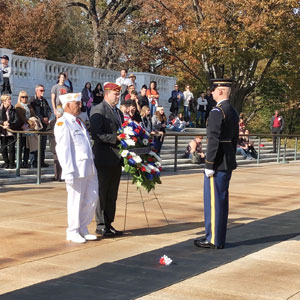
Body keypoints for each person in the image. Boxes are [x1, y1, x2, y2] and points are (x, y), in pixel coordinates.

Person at [194, 79, 239, 250]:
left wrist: (209, 164)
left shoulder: (217, 111)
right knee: (221, 200)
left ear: (219, 91)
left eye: (213, 90)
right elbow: (233, 140)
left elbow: (213, 140)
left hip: (217, 163)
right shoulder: (232, 111)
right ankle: (219, 237)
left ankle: (213, 238)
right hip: (227, 160)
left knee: (213, 202)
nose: (211, 93)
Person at [54, 92, 98, 243]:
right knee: (75, 200)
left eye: (79, 103)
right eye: (77, 103)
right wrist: (68, 171)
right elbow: (63, 149)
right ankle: (72, 230)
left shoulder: (78, 121)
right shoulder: (63, 123)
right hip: (76, 168)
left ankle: (83, 228)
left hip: (88, 166)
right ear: (67, 105)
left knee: (91, 198)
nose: (80, 106)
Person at [90, 82, 124, 237]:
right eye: (115, 94)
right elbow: (97, 134)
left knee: (112, 194)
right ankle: (101, 224)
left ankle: (109, 223)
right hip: (103, 157)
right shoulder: (99, 110)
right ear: (106, 94)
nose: (117, 97)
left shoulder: (118, 112)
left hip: (116, 158)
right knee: (102, 193)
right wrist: (115, 138)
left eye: (118, 94)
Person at [29, 85, 52, 168]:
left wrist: (47, 118)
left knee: (43, 145)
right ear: (36, 91)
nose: (42, 92)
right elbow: (33, 112)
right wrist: (42, 118)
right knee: (35, 145)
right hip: (37, 125)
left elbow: (49, 110)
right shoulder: (32, 100)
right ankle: (34, 162)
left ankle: (41, 161)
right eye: (41, 90)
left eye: (43, 90)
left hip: (44, 126)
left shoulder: (44, 101)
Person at [15, 91, 36, 168]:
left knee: (27, 147)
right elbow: (21, 117)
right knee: (21, 146)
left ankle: (25, 162)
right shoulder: (18, 106)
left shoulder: (29, 106)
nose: (24, 98)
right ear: (20, 97)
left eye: (26, 97)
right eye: (23, 97)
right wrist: (29, 121)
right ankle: (19, 162)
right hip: (21, 128)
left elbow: (33, 114)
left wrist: (33, 121)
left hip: (29, 129)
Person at [0, 94, 19, 169]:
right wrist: (3, 123)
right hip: (2, 132)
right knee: (3, 148)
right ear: (4, 101)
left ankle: (12, 163)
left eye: (10, 99)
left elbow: (16, 120)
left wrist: (9, 123)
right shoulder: (0, 109)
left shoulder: (13, 109)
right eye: (8, 100)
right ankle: (6, 162)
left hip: (10, 131)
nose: (10, 101)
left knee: (11, 148)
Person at [49, 107, 64, 181]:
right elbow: (49, 131)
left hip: (63, 143)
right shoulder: (52, 122)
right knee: (56, 160)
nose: (58, 118)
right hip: (55, 143)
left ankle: (61, 176)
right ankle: (57, 176)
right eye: (57, 116)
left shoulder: (65, 122)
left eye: (60, 116)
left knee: (62, 161)